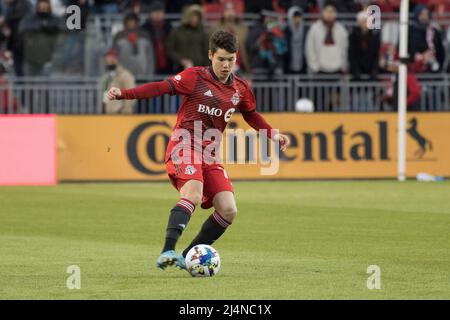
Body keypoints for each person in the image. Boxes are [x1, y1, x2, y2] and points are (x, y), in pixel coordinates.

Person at [106, 30, 291, 271]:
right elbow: (161, 87)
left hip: (210, 153)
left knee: (228, 210)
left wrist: (272, 133)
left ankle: (185, 256)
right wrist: (124, 94)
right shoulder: (195, 77)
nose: (226, 65)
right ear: (211, 55)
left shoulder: (240, 88)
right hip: (184, 144)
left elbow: (251, 114)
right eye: (221, 59)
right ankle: (167, 251)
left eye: (231, 60)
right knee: (192, 194)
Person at [166, 4, 209, 72]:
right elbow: (170, 50)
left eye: (197, 17)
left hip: (199, 69)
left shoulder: (203, 33)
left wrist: (205, 69)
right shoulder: (177, 32)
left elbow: (207, 52)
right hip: (180, 69)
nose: (195, 19)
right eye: (193, 16)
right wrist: (181, 60)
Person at [100, 48, 136, 114]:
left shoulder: (126, 75)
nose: (108, 61)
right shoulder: (106, 76)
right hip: (108, 115)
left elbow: (132, 95)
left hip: (121, 115)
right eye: (107, 59)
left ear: (117, 59)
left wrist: (125, 111)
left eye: (111, 58)